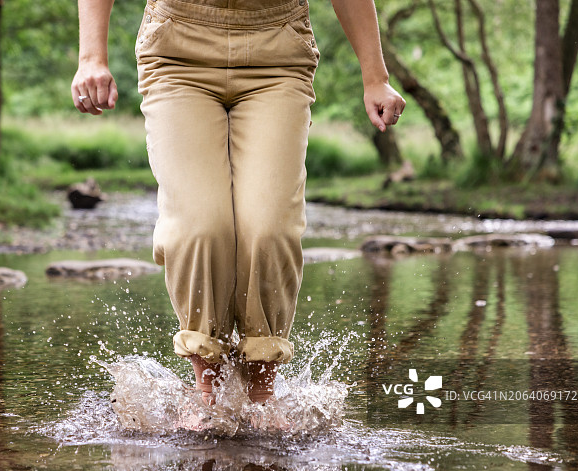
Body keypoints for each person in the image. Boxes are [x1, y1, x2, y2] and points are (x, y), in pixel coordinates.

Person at [72, 0, 405, 405]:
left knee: (269, 229)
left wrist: (376, 77)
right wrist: (91, 58)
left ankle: (261, 393)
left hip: (277, 51)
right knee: (201, 227)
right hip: (178, 50)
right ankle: (208, 393)